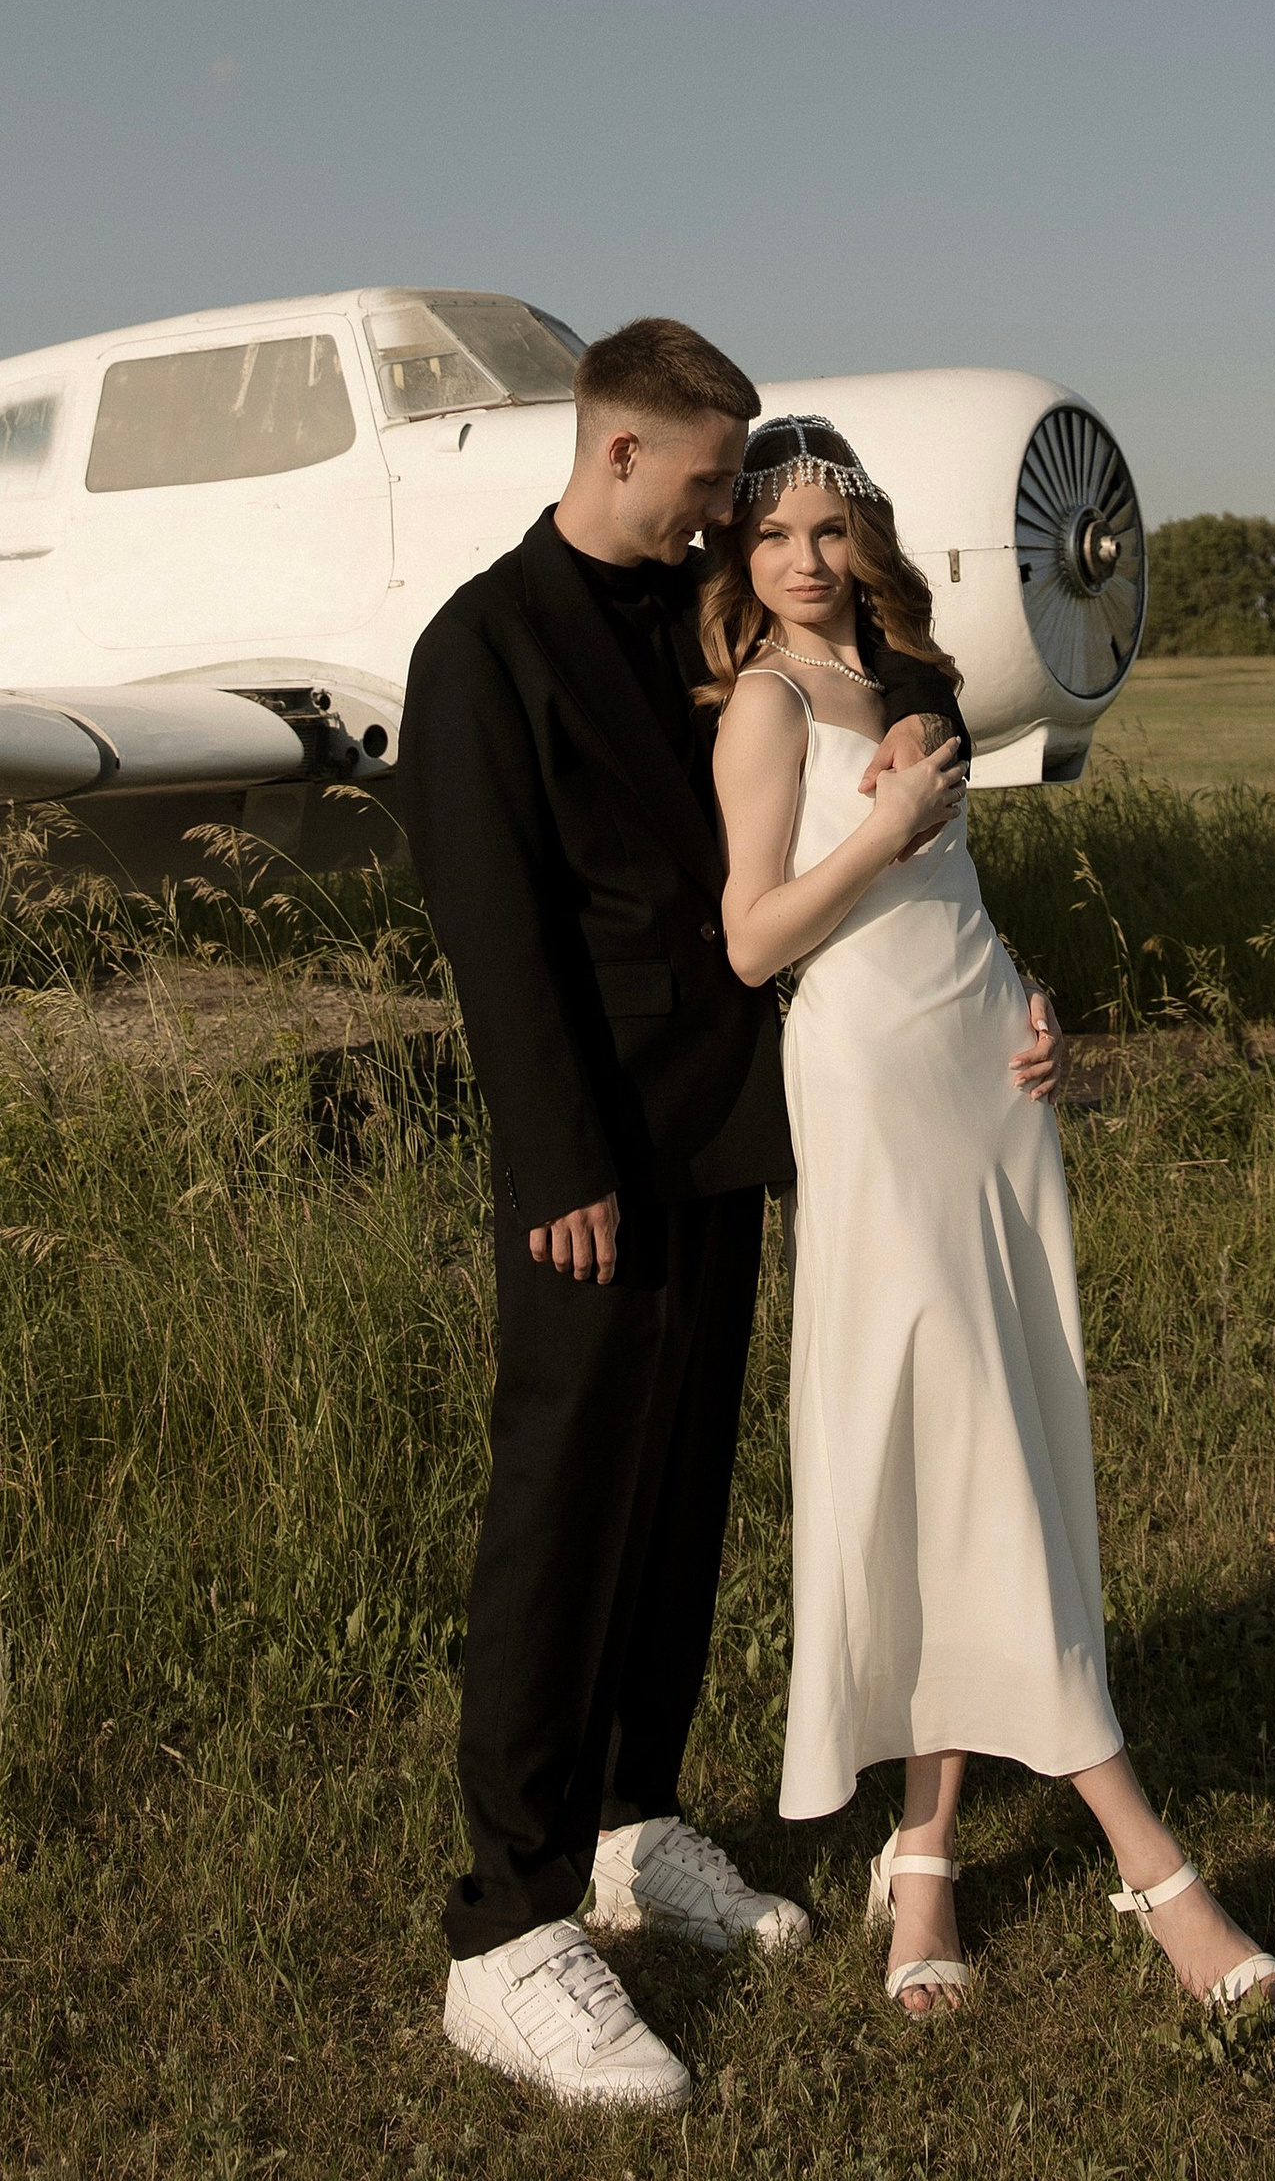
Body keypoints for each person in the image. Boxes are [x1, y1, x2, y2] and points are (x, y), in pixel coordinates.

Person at [399, 320, 965, 2112]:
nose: (733, 519)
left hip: (732, 1124)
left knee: (684, 1488)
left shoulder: (696, 620)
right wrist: (553, 1165)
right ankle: (508, 1925)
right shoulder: (482, 648)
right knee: (563, 1509)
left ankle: (642, 1823)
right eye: (713, 486)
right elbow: (494, 937)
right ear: (621, 453)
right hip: (593, 1158)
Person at [705, 415, 1275, 2024]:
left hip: (987, 1078)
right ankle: (1153, 1866)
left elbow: (952, 898)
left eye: (831, 531)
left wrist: (1030, 996)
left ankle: (926, 1858)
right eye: (774, 537)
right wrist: (879, 829)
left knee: (998, 1440)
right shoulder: (764, 709)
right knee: (940, 1438)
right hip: (872, 1101)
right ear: (741, 559)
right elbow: (755, 940)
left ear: (869, 543)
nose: (807, 563)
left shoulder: (912, 688)